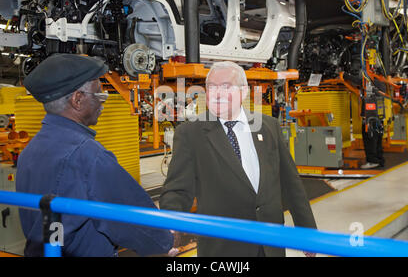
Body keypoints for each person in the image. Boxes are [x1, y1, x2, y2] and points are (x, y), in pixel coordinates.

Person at [16, 53, 173, 257]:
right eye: (100, 95)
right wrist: (168, 239)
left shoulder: (31, 150)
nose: (103, 103)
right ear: (78, 100)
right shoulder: (88, 155)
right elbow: (136, 222)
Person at [159, 61, 317, 257]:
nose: (217, 94)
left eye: (226, 87)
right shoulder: (191, 133)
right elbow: (177, 190)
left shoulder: (268, 126)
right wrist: (170, 227)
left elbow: (291, 184)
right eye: (211, 88)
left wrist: (308, 232)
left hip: (270, 244)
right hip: (224, 249)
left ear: (243, 92)